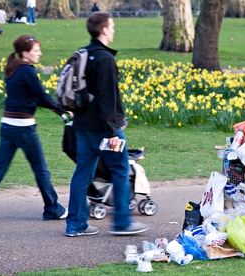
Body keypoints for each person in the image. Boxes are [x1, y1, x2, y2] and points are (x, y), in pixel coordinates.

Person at [65, 12, 150, 237]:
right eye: (111, 27)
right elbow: (107, 98)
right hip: (105, 131)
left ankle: (75, 225)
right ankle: (121, 222)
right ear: (103, 29)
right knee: (121, 169)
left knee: (82, 173)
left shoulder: (83, 54)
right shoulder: (105, 59)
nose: (113, 30)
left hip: (82, 127)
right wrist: (113, 131)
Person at [0, 35, 68, 225]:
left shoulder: (13, 68)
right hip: (23, 128)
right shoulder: (26, 70)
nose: (40, 53)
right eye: (36, 50)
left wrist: (50, 105)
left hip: (7, 126)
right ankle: (52, 208)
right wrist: (62, 110)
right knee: (41, 169)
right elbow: (41, 96)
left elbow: (29, 96)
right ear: (25, 53)